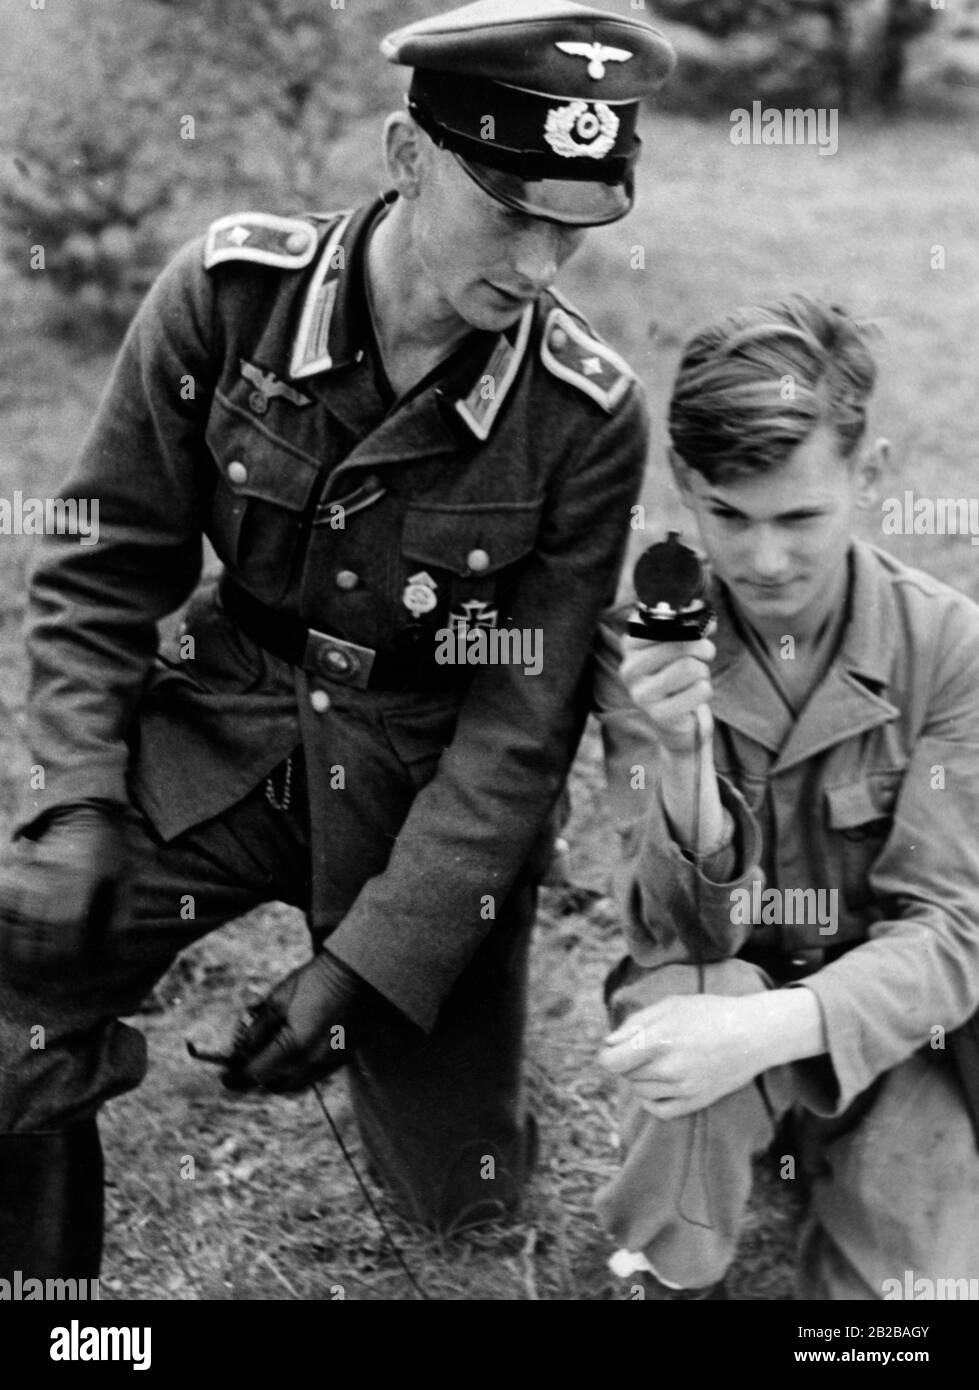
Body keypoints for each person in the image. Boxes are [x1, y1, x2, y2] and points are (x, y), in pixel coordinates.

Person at [0, 0, 677, 1282]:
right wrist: (75, 804)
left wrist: (363, 970)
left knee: (458, 1206)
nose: (538, 267)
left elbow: (517, 734)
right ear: (406, 154)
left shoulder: (585, 417)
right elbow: (100, 570)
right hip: (226, 728)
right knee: (17, 992)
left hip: (425, 786)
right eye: (511, 210)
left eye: (573, 228)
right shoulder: (228, 296)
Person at [594, 295, 979, 1300]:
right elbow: (671, 934)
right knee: (678, 1036)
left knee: (910, 1305)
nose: (764, 562)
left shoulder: (946, 648)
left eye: (801, 517)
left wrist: (775, 1030)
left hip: (888, 1039)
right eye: (729, 516)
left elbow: (947, 933)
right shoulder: (649, 647)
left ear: (870, 475)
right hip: (717, 993)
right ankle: (667, 1273)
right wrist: (678, 755)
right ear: (685, 485)